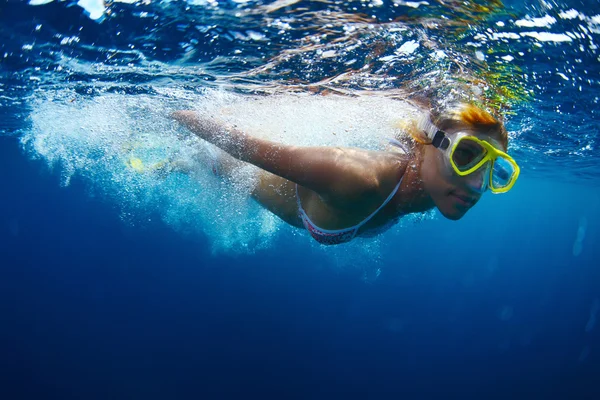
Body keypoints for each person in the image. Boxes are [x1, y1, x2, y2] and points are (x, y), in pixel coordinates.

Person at [170, 101, 520, 245]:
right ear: (430, 145)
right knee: (223, 165)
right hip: (277, 187)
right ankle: (191, 160)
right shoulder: (354, 177)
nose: (477, 185)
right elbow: (240, 144)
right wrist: (168, 113)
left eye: (493, 170)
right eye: (466, 156)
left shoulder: (440, 184)